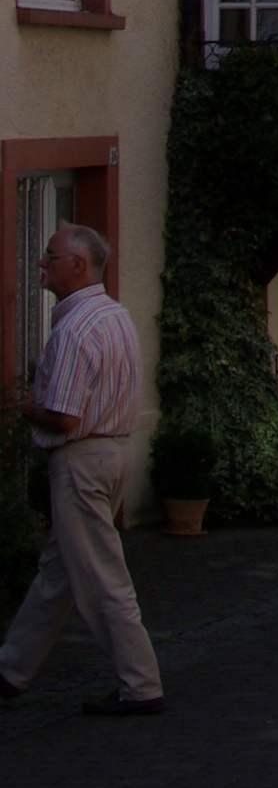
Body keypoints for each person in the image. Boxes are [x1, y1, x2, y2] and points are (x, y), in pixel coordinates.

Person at [0, 224, 163, 715]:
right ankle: (11, 669)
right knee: (60, 574)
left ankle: (141, 686)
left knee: (100, 575)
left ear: (78, 265)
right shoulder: (115, 316)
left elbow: (65, 416)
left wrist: (29, 408)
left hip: (80, 460)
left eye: (50, 255)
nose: (42, 263)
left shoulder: (72, 329)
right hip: (114, 452)